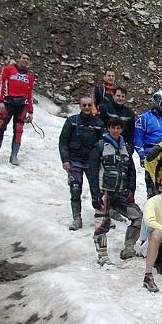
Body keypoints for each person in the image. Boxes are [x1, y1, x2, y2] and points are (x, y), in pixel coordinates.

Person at [88, 118, 142, 265]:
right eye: (113, 127)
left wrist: (131, 189)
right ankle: (102, 256)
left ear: (122, 129)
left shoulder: (126, 147)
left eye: (118, 128)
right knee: (102, 224)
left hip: (121, 193)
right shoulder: (99, 146)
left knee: (138, 217)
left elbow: (131, 170)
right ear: (108, 128)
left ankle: (128, 248)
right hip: (103, 191)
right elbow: (92, 170)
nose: (115, 130)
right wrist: (95, 194)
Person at [58, 97, 105, 230]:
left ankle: (101, 217)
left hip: (92, 162)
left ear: (93, 106)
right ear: (80, 106)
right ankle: (77, 218)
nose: (86, 107)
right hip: (75, 161)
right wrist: (65, 160)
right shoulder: (72, 121)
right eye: (84, 105)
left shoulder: (99, 123)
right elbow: (63, 141)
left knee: (97, 191)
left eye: (89, 105)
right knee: (75, 189)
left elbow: (103, 144)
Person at [0, 52, 37, 166]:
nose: (25, 60)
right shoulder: (8, 69)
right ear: (18, 59)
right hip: (8, 102)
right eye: (23, 58)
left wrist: (31, 111)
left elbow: (30, 94)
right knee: (0, 127)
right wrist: (0, 101)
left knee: (18, 129)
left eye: (27, 59)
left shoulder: (30, 76)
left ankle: (14, 156)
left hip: (22, 105)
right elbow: (1, 84)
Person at [134, 90, 162, 195]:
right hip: (152, 157)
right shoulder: (144, 118)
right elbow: (138, 139)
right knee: (153, 191)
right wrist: (142, 156)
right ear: (158, 103)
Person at [98, 85, 135, 150]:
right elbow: (101, 127)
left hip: (123, 147)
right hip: (107, 145)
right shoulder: (106, 109)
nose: (120, 98)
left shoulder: (129, 113)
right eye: (118, 96)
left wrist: (130, 148)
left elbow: (131, 132)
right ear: (113, 96)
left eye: (122, 96)